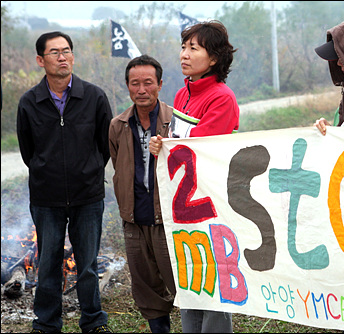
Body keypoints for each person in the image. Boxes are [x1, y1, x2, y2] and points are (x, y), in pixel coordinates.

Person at [16, 31, 112, 333]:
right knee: (48, 264)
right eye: (54, 52)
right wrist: (47, 173)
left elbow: (105, 145)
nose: (62, 57)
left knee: (86, 265)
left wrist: (90, 171)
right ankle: (46, 324)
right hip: (47, 199)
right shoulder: (30, 102)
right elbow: (27, 151)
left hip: (88, 196)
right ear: (40, 60)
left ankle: (93, 322)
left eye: (67, 50)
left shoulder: (94, 97)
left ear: (73, 56)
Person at [149, 20, 238, 333]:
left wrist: (170, 148)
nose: (184, 54)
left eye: (193, 48)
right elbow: (179, 146)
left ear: (213, 58)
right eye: (183, 47)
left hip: (211, 207)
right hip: (184, 209)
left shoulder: (221, 97)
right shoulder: (183, 94)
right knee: (191, 283)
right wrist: (162, 144)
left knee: (213, 289)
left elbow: (200, 151)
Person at [108, 55, 176, 333]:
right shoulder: (118, 125)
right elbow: (119, 166)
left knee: (181, 280)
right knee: (146, 287)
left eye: (148, 83)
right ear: (127, 86)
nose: (141, 89)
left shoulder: (175, 121)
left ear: (160, 84)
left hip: (170, 219)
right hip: (135, 220)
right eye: (135, 83)